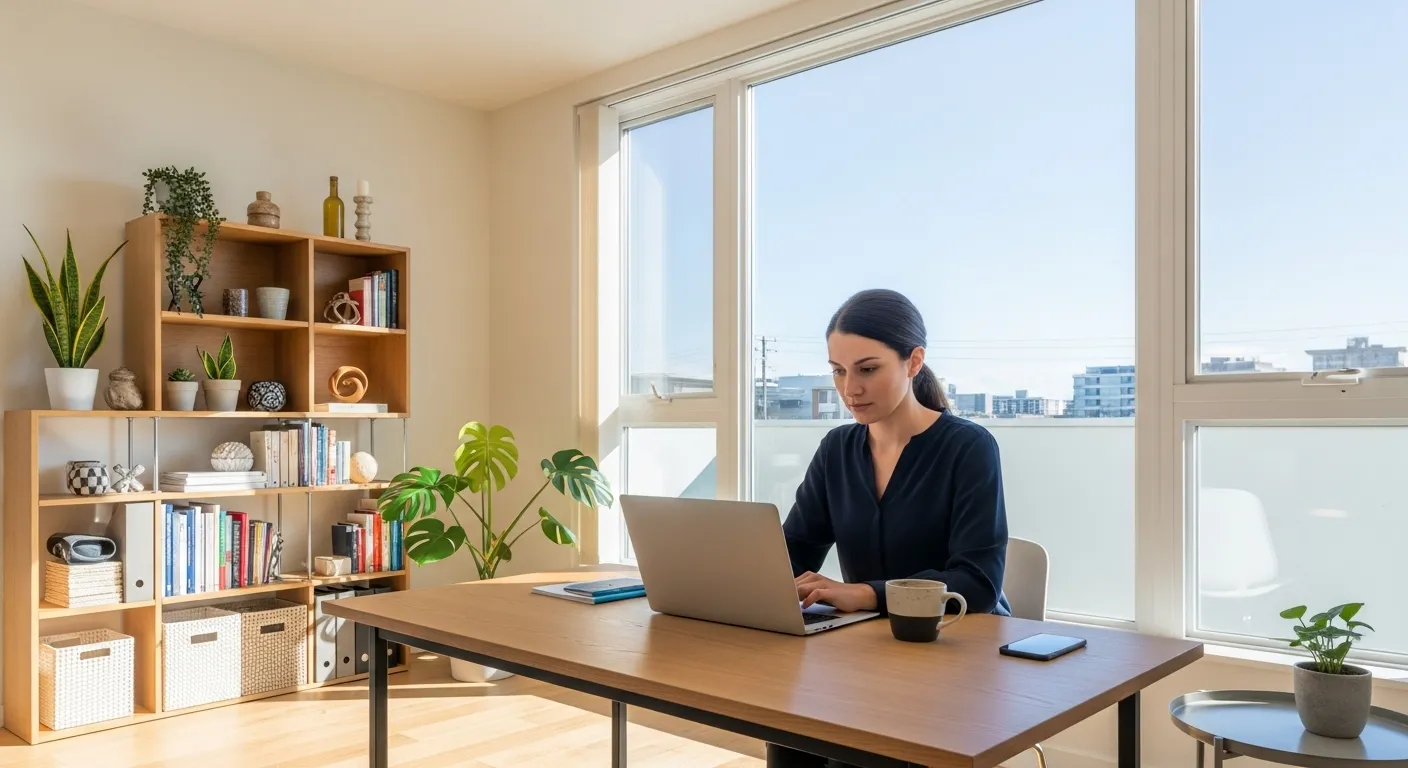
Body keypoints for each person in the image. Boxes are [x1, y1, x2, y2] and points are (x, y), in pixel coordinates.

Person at [767, 288, 1010, 768]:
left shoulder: (969, 447)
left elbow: (978, 584)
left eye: (867, 368)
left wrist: (864, 593)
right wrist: (746, 580)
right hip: (870, 650)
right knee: (789, 730)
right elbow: (795, 550)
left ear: (913, 362)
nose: (849, 388)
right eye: (838, 370)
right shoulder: (837, 449)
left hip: (956, 650)